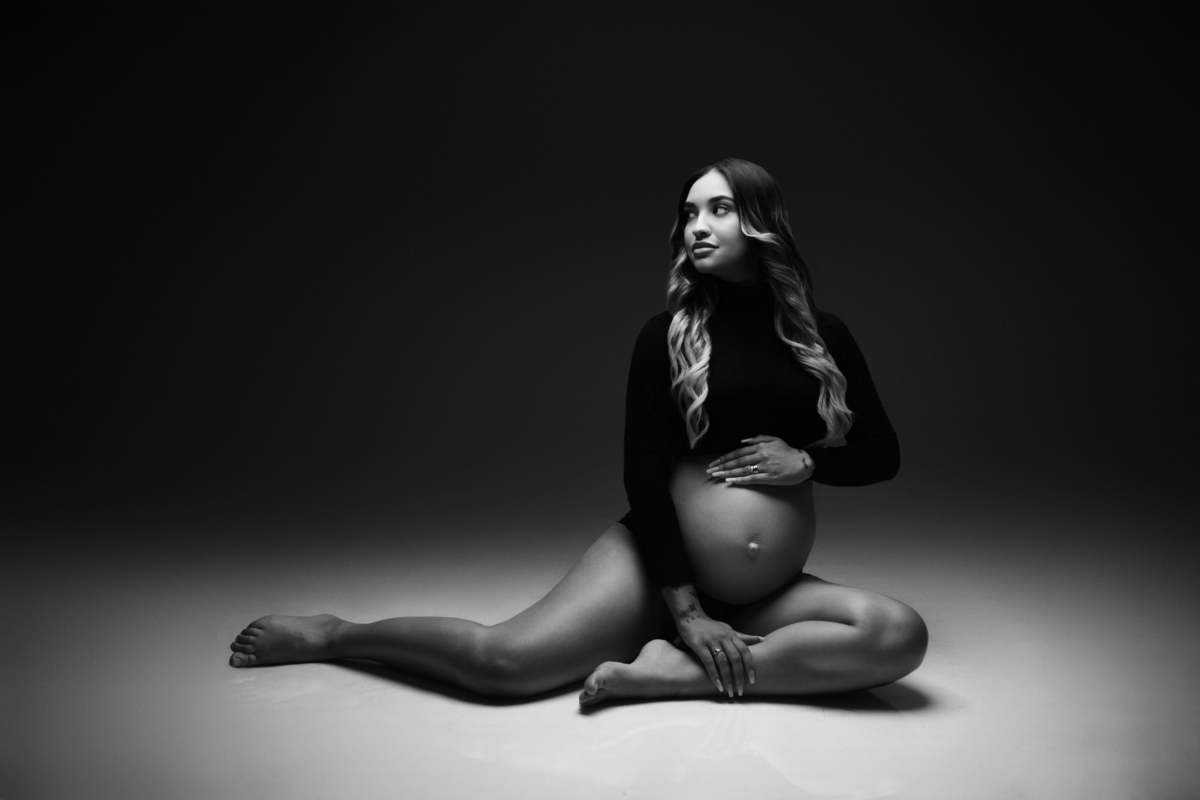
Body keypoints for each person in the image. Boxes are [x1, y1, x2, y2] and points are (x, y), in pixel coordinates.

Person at [228, 158, 928, 707]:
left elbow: (883, 454)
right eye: (688, 213)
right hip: (655, 573)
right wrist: (686, 609)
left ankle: (676, 676)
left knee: (898, 634)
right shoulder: (667, 337)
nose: (697, 227)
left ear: (761, 221)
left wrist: (807, 462)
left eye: (719, 209)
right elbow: (643, 475)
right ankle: (336, 634)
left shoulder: (823, 337)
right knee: (502, 665)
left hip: (767, 592)